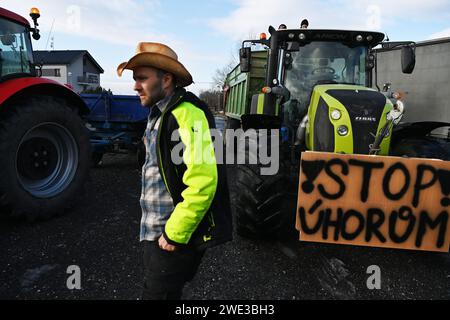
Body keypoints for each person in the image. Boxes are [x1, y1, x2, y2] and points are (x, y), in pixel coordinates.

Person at [117, 42, 232, 300]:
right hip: (154, 231)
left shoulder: (187, 114)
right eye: (135, 79)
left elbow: (203, 180)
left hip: (171, 235)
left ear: (166, 79)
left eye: (142, 79)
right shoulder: (159, 113)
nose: (135, 86)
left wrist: (174, 233)